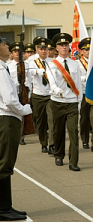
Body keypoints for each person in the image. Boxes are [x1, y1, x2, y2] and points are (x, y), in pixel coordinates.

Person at [0, 37, 32, 221]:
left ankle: (5, 206)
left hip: (6, 118)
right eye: (4, 44)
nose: (7, 47)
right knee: (5, 164)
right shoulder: (1, 70)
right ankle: (3, 208)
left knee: (4, 163)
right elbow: (10, 100)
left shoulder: (3, 68)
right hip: (6, 119)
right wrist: (24, 110)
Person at [46, 33, 82, 171]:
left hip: (72, 102)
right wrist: (56, 90)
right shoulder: (51, 64)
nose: (64, 47)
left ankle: (74, 161)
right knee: (58, 130)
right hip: (58, 102)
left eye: (66, 45)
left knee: (73, 131)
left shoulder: (75, 64)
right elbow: (52, 82)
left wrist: (79, 101)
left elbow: (77, 84)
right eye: (61, 45)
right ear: (56, 48)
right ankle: (59, 155)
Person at [28, 37, 54, 154]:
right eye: (41, 48)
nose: (43, 51)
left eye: (45, 49)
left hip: (50, 95)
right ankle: (43, 142)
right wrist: (38, 71)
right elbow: (29, 72)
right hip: (38, 95)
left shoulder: (52, 61)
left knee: (51, 120)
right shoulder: (31, 61)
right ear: (36, 49)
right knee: (41, 121)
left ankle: (52, 144)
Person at [77, 37, 91, 149]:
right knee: (85, 118)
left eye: (90, 49)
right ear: (81, 51)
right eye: (86, 50)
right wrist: (84, 78)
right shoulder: (78, 63)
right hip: (84, 93)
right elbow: (76, 77)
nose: (88, 52)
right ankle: (85, 140)